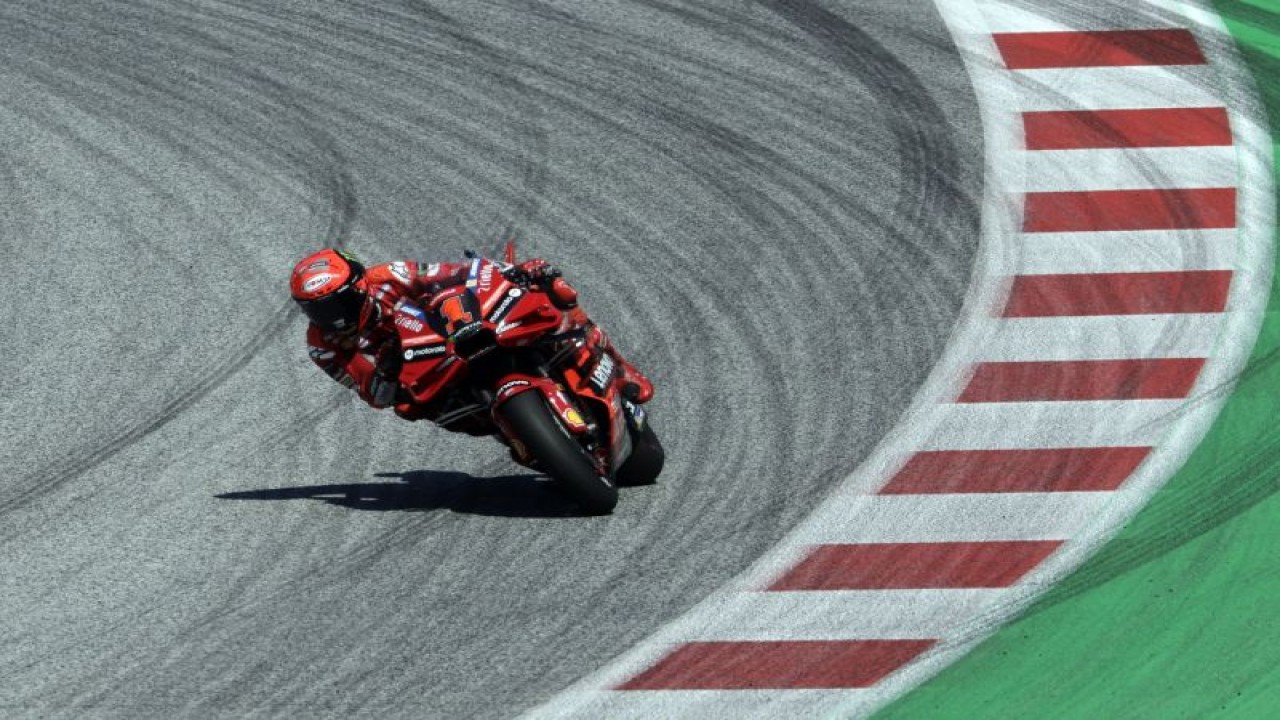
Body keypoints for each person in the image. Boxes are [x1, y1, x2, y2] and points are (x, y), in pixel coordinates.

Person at [288, 248, 653, 432]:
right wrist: (385, 373)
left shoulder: (389, 276)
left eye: (341, 302)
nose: (335, 317)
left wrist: (510, 273)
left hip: (455, 332)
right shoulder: (323, 346)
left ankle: (621, 369)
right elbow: (374, 394)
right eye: (318, 310)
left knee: (555, 293)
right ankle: (521, 434)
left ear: (361, 283)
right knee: (428, 414)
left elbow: (451, 275)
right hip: (426, 375)